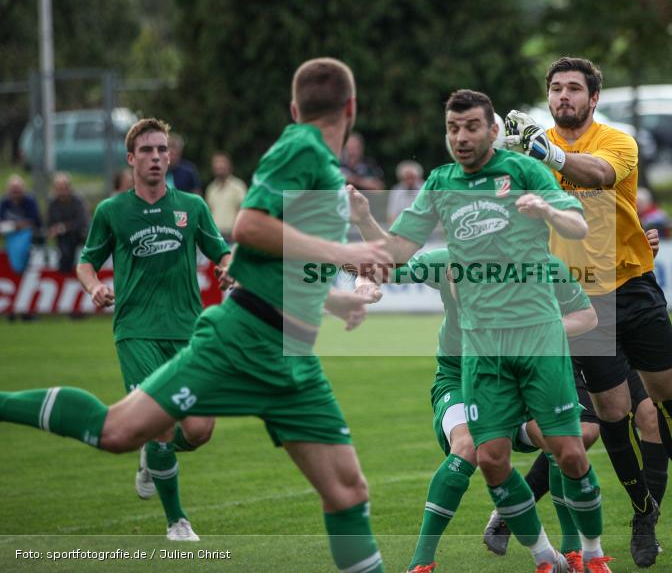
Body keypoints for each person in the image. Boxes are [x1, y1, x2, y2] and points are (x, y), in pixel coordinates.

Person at [1, 57, 391, 572]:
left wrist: (338, 299)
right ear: (352, 107)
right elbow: (250, 227)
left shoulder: (319, 166)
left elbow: (278, 264)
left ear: (297, 106)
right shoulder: (301, 145)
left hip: (292, 354)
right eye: (149, 150)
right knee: (120, 432)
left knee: (347, 490)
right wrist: (345, 255)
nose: (158, 157)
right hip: (241, 336)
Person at [502, 57, 672, 568]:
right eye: (555, 89)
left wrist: (543, 152)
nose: (563, 97)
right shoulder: (529, 156)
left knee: (671, 400)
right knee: (614, 414)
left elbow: (597, 176)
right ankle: (644, 516)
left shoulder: (615, 142)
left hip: (633, 286)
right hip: (579, 299)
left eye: (574, 89)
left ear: (593, 98)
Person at [358, 88, 610, 573]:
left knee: (573, 452)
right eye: (453, 128)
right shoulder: (440, 183)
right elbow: (396, 256)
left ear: (493, 130)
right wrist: (365, 219)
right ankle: (546, 560)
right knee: (490, 457)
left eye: (471, 126)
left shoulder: (525, 171)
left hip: (537, 340)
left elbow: (577, 226)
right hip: (481, 349)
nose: (461, 137)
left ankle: (594, 554)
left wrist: (549, 212)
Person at [350, 243, 600, 573]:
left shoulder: (543, 265)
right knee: (469, 447)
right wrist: (364, 284)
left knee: (563, 441)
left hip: (521, 376)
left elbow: (588, 317)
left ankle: (572, 553)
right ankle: (422, 562)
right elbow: (378, 268)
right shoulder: (446, 260)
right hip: (462, 378)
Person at [76, 118, 233, 540]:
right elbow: (86, 260)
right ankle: (176, 520)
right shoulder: (112, 211)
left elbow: (222, 252)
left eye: (162, 150)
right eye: (147, 151)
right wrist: (94, 287)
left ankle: (150, 450)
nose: (157, 157)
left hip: (188, 330)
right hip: (136, 331)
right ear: (131, 159)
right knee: (162, 422)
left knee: (199, 431)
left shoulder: (192, 207)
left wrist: (228, 269)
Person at [483, 230, 671, 565]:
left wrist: (641, 243)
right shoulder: (545, 210)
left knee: (650, 418)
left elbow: (620, 246)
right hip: (574, 339)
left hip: (615, 329)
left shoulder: (600, 195)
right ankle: (512, 512)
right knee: (582, 435)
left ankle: (646, 527)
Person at [46, 172, 89, 273]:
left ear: (69, 187)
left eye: (64, 188)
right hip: (61, 237)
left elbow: (82, 222)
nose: (62, 192)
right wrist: (52, 230)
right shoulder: (52, 203)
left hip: (78, 235)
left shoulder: (78, 201)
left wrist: (63, 227)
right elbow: (49, 222)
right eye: (59, 189)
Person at [1, 174, 42, 276]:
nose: (15, 192)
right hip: (10, 234)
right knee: (16, 265)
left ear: (23, 189)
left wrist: (16, 225)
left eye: (17, 189)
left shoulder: (30, 201)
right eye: (13, 189)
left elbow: (34, 221)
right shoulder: (4, 202)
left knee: (20, 259)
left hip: (27, 234)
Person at [205, 151, 247, 241]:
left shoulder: (238, 187)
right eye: (217, 164)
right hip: (216, 236)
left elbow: (243, 211)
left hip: (232, 236)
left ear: (230, 166)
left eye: (222, 164)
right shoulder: (211, 189)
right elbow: (208, 213)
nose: (219, 167)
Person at [387, 159, 424, 224]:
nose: (410, 181)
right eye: (407, 178)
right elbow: (392, 214)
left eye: (412, 177)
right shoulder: (396, 191)